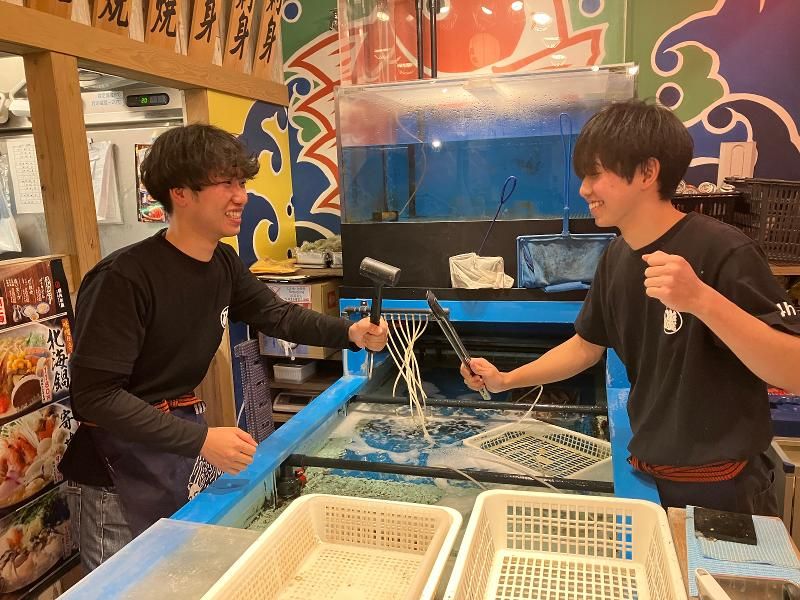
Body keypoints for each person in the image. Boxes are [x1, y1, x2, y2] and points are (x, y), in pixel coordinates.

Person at [59, 124, 389, 571]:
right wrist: (201, 439)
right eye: (226, 183)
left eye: (242, 182)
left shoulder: (222, 262)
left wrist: (349, 332)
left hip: (171, 450)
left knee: (178, 575)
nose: (241, 196)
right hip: (111, 476)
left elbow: (278, 315)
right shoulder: (124, 278)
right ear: (180, 192)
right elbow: (95, 396)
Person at [462, 99, 800, 515]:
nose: (584, 189)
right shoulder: (617, 256)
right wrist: (506, 380)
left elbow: (793, 371)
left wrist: (701, 300)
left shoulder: (725, 250)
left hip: (725, 489)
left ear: (647, 172)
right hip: (652, 477)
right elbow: (585, 347)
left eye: (595, 173)